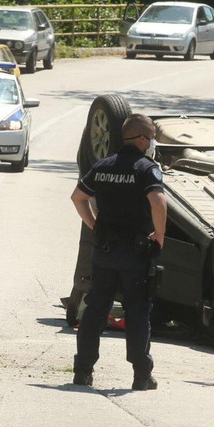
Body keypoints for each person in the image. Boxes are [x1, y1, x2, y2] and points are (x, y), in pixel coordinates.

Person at [70, 114, 167, 391]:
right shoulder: (146, 168)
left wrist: (95, 226)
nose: (153, 143)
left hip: (105, 251)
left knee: (95, 310)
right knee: (138, 311)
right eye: (151, 137)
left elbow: (78, 197)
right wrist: (159, 236)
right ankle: (141, 375)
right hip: (135, 253)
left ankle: (83, 371)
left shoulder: (103, 166)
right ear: (141, 139)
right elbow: (158, 202)